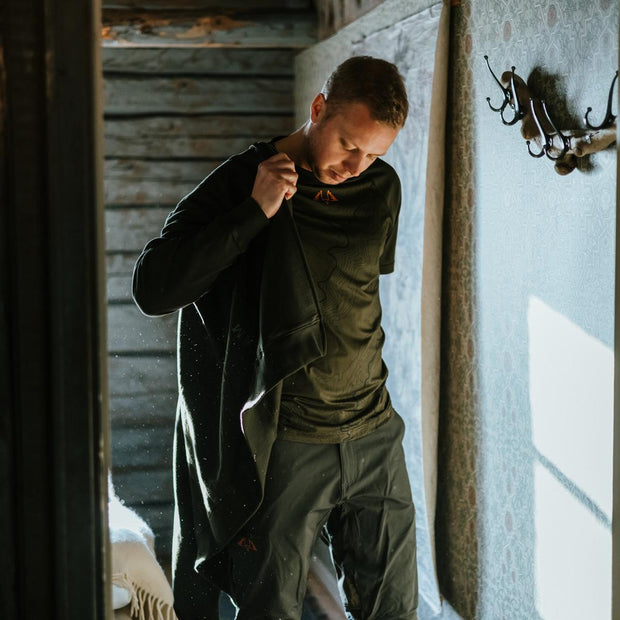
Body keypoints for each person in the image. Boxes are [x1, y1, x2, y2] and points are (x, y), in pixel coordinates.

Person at [133, 55, 417, 620]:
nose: (356, 166)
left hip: (373, 432)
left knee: (394, 610)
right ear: (319, 108)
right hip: (285, 442)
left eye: (373, 154)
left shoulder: (381, 186)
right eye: (348, 145)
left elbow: (354, 298)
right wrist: (252, 213)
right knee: (270, 610)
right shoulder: (245, 179)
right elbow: (153, 289)